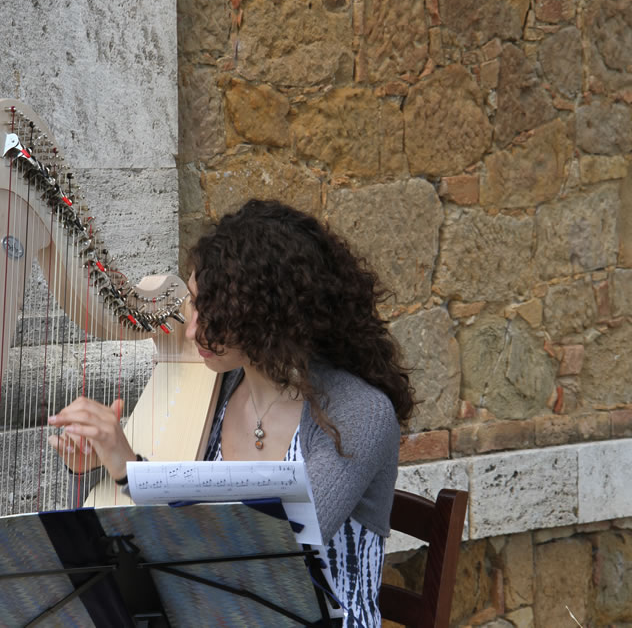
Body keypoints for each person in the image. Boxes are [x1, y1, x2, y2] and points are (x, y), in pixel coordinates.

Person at [48, 199, 414, 626]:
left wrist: (130, 470)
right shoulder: (219, 389)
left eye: (212, 312)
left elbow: (275, 544)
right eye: (195, 305)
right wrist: (101, 456)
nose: (190, 330)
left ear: (266, 314)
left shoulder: (357, 412)